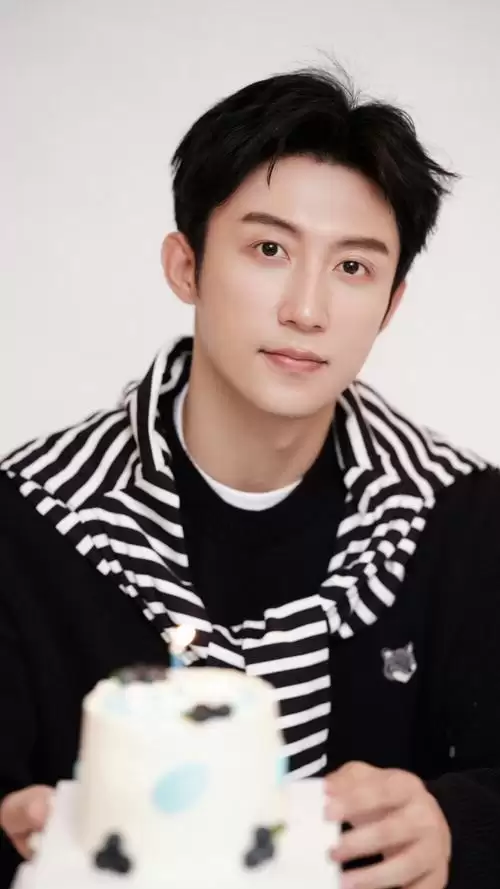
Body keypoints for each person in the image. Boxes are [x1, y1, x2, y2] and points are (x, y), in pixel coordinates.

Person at [0, 65, 499, 889]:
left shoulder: (463, 515)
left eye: (353, 267)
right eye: (270, 249)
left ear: (391, 303)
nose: (307, 309)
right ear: (185, 266)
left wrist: (457, 827)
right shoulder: (30, 519)